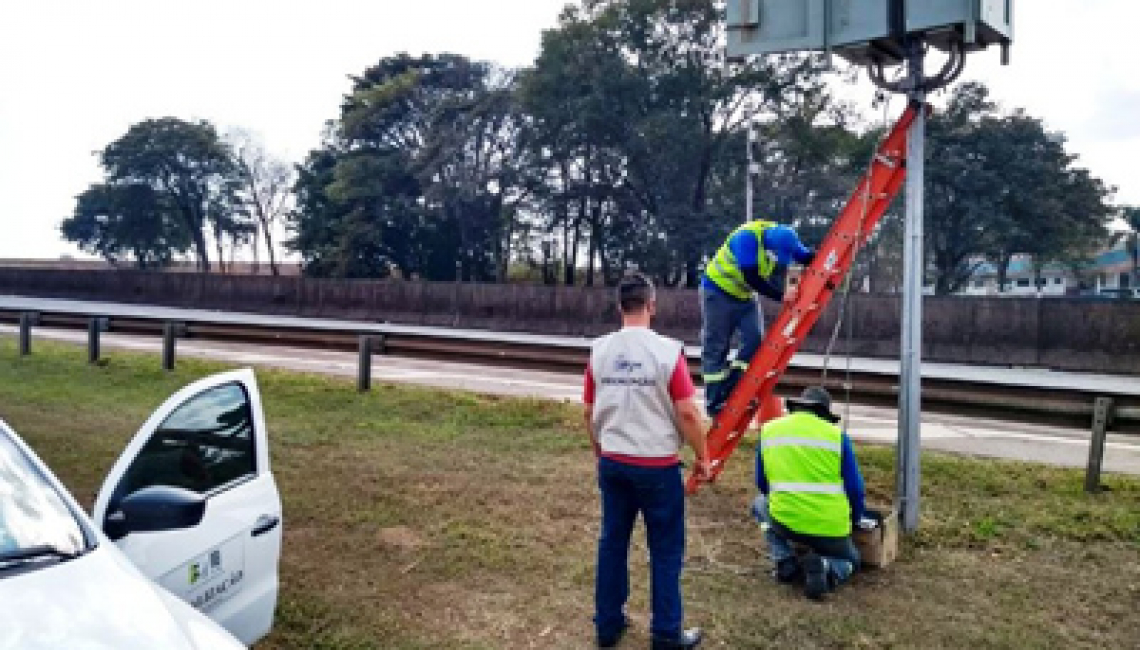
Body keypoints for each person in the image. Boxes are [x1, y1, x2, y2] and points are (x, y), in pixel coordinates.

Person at [584, 272, 712, 649]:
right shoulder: (668, 352)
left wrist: (599, 450)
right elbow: (687, 413)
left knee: (612, 542)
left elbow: (588, 410)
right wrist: (703, 457)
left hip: (614, 461)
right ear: (652, 305)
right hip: (657, 465)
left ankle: (607, 625)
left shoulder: (600, 350)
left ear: (619, 306)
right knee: (666, 550)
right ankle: (666, 633)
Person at [751, 386, 865, 601]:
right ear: (824, 413)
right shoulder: (836, 436)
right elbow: (855, 490)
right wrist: (855, 519)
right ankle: (828, 567)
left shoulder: (769, 430)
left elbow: (761, 483)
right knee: (852, 561)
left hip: (785, 521)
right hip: (830, 528)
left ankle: (784, 559)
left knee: (759, 504)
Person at [700, 220, 815, 417]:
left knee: (755, 340)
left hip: (744, 296)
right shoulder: (747, 238)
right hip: (718, 291)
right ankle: (714, 402)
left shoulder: (787, 238)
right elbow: (751, 277)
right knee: (716, 347)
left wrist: (823, 258)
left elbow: (806, 257)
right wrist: (781, 296)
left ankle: (733, 385)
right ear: (770, 243)